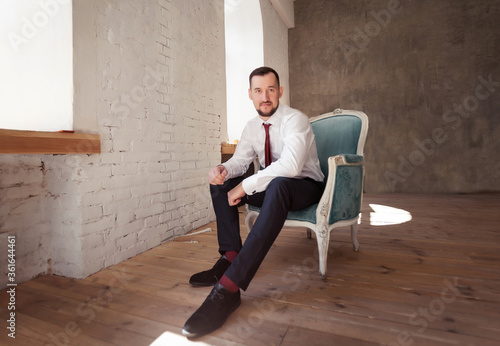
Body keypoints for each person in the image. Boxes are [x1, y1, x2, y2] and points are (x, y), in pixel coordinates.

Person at [182, 66, 325, 338]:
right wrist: (222, 169)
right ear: (250, 94)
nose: (265, 96)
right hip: (272, 186)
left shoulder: (296, 120)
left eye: (271, 90)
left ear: (280, 91)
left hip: (304, 186)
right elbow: (240, 161)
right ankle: (230, 257)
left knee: (280, 184)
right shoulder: (251, 127)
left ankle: (230, 287)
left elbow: (292, 166)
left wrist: (245, 186)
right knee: (222, 183)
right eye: (258, 91)